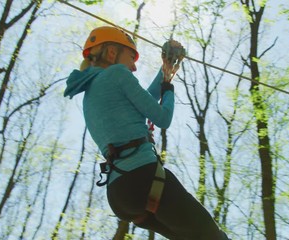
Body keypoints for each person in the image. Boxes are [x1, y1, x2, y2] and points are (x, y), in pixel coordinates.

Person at [64, 26, 229, 240]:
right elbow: (162, 117)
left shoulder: (90, 92)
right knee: (210, 235)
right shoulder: (117, 73)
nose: (133, 67)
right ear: (112, 53)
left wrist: (166, 68)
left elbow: (144, 98)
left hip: (120, 193)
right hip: (143, 177)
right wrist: (168, 88)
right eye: (131, 57)